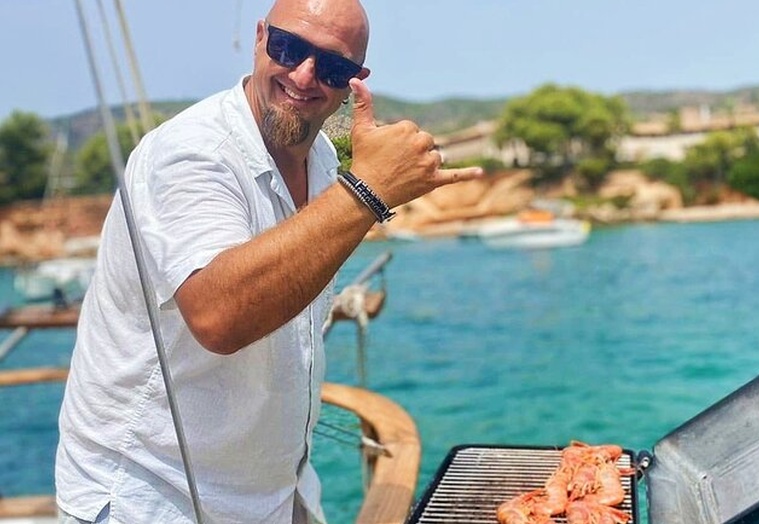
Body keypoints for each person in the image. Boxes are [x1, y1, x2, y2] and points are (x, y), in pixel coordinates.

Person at [55, 0, 482, 522]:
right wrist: (368, 191)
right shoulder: (191, 152)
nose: (304, 76)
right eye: (289, 48)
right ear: (260, 37)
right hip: (154, 498)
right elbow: (219, 316)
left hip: (275, 494)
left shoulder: (323, 159)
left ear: (354, 80)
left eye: (332, 66)